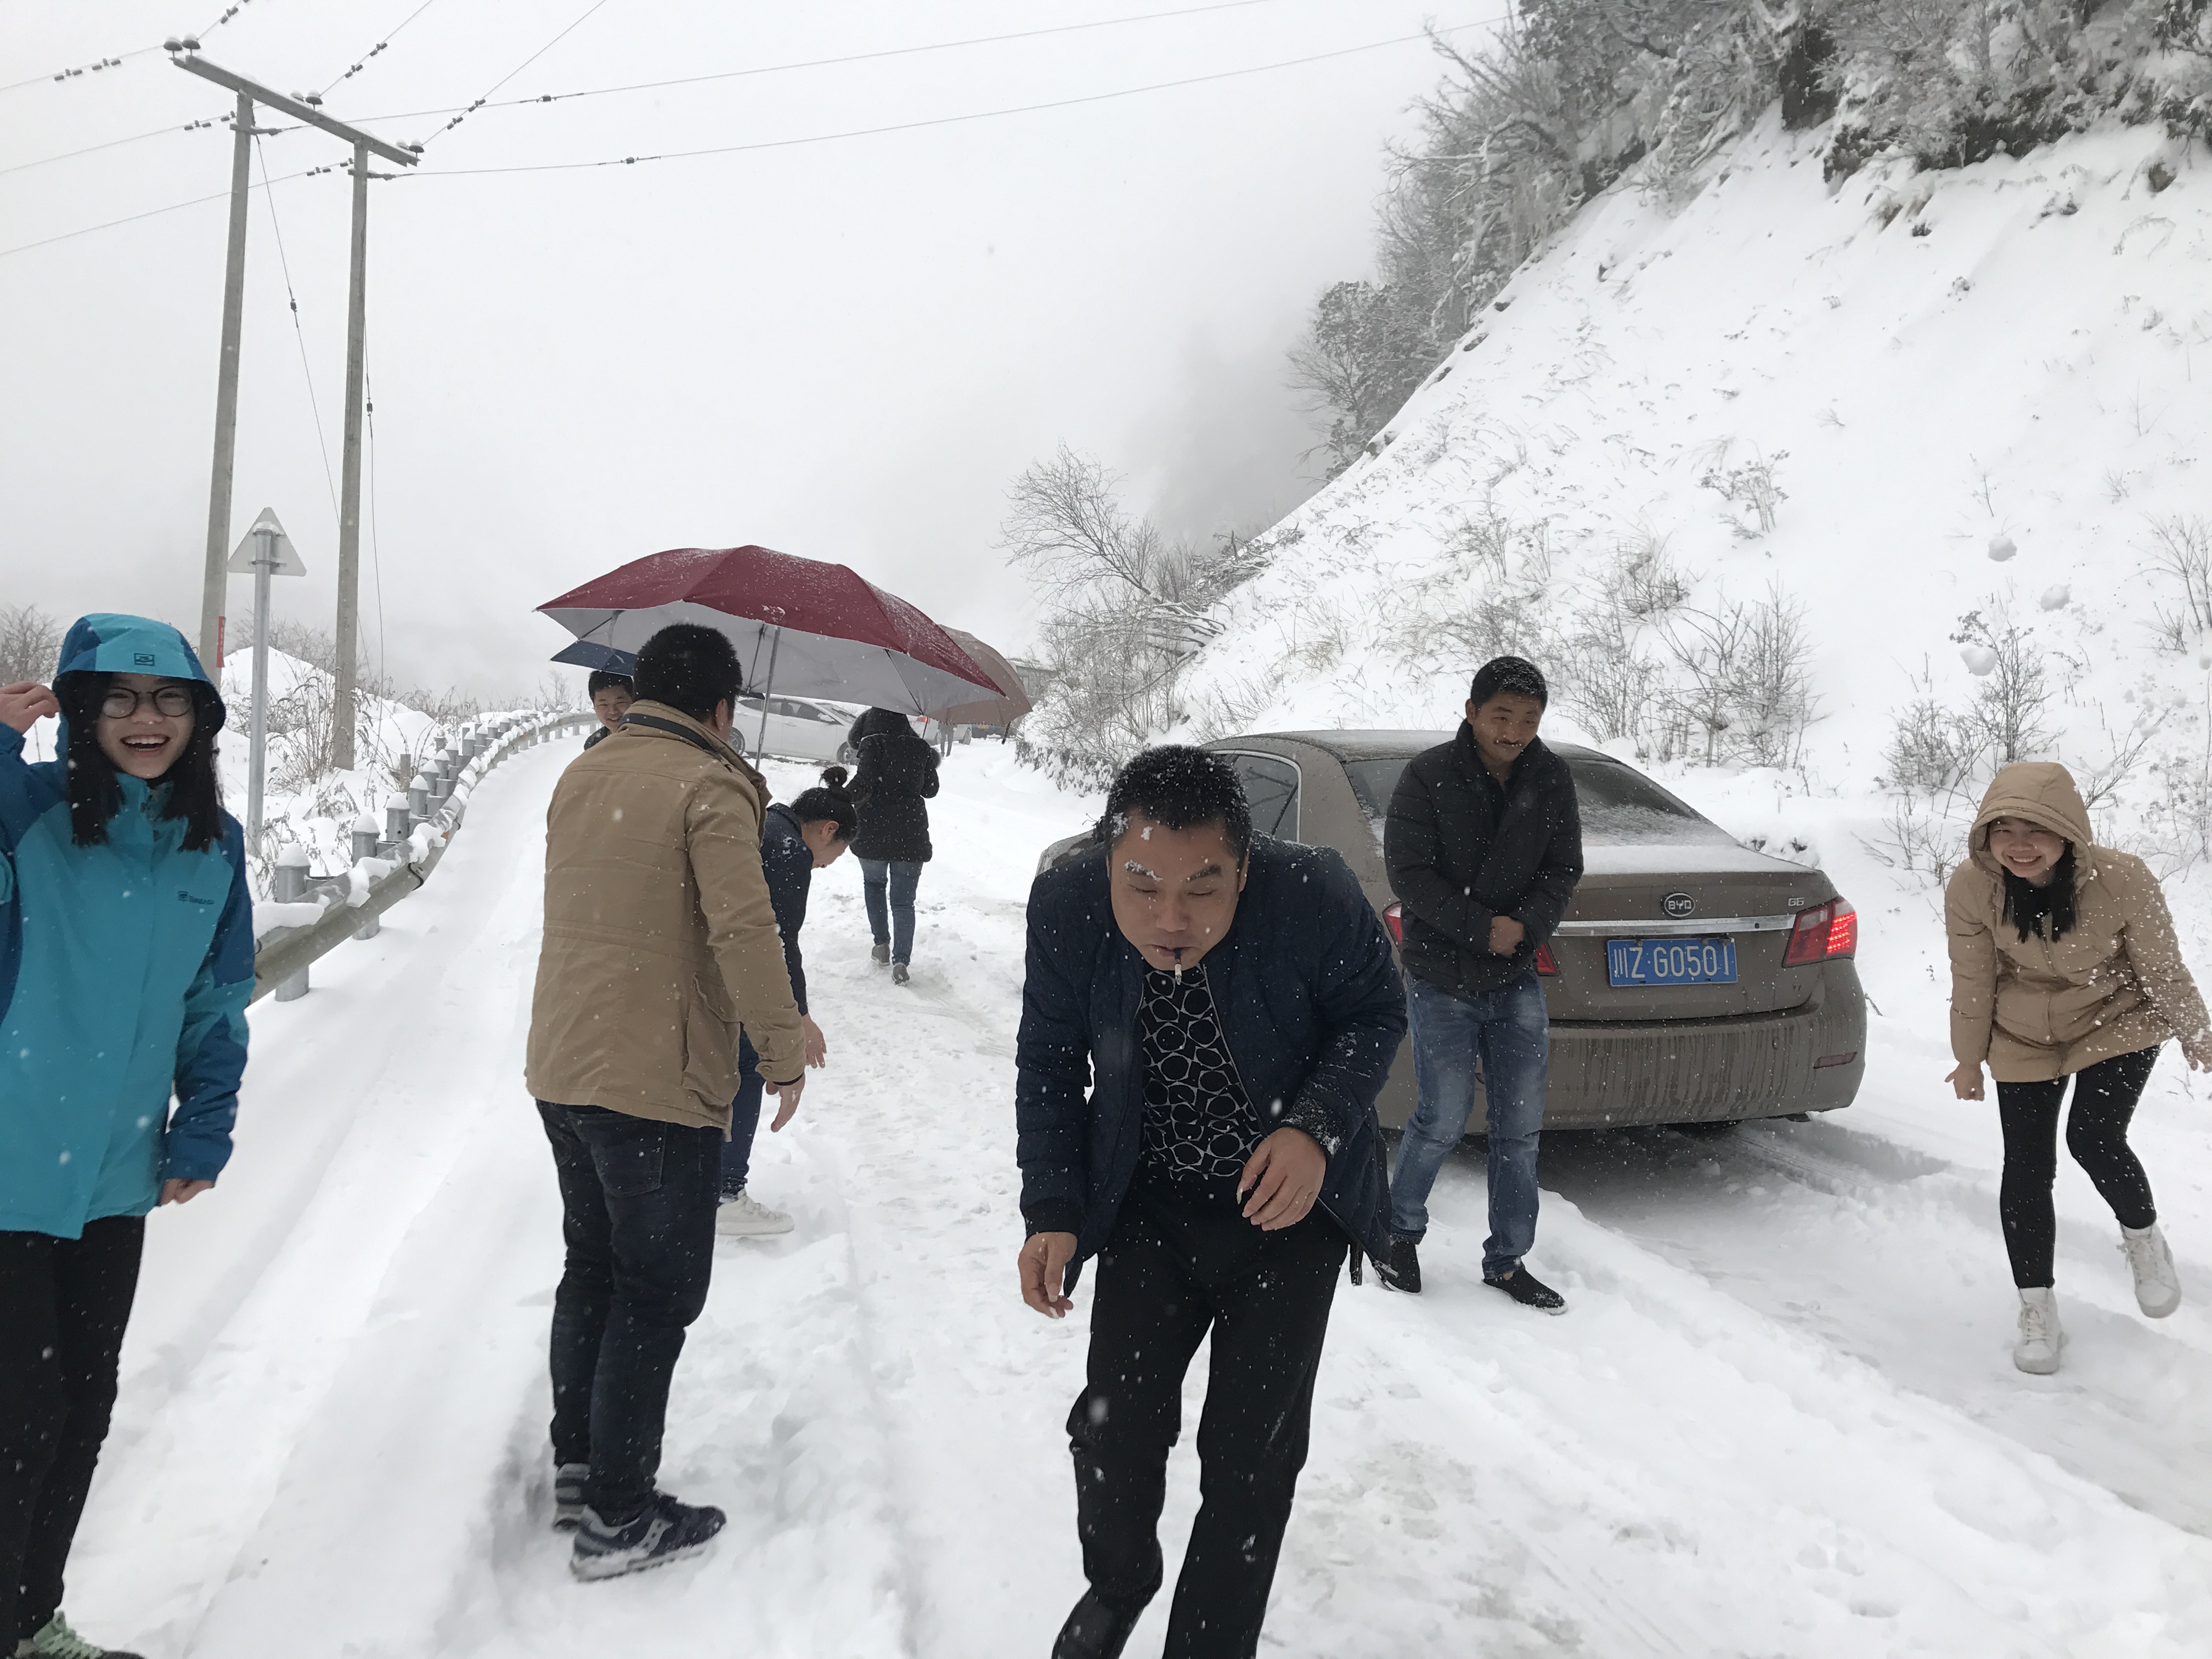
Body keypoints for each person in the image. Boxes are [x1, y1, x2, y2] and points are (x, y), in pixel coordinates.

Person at [1017, 746, 1404, 1659]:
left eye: (1204, 887)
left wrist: (1313, 1128)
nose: (1171, 918)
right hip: (1149, 1203)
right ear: (1108, 857)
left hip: (1287, 1214)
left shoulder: (1311, 894)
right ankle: (1119, 1581)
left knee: (1251, 1459)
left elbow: (1376, 1012)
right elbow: (1049, 1061)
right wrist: (1053, 1208)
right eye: (1142, 884)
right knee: (1116, 1428)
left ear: (1245, 867)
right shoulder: (1067, 903)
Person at [526, 623, 809, 1581]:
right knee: (657, 1291)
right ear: (722, 708)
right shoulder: (709, 785)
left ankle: (581, 1468)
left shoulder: (585, 773)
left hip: (565, 1066)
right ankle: (619, 1516)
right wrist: (781, 1051)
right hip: (654, 1079)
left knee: (593, 1267)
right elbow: (744, 927)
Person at [1, 615, 252, 1659]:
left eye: (169, 700)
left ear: (199, 718)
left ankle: (30, 1617)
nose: (146, 720)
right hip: (9, 1167)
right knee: (19, 1415)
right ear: (80, 710)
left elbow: (216, 1000)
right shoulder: (28, 811)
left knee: (79, 1408)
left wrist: (206, 1123)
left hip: (113, 1174)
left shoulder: (213, 843)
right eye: (120, 699)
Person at [1945, 762, 2212, 1374]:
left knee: (2093, 1137)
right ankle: (2037, 1308)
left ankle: (2144, 1241)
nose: (2018, 845)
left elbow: (2161, 966)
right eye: (2003, 829)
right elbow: (1973, 978)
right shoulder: (1972, 886)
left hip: (2115, 1018)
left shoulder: (2123, 879)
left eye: (2035, 829)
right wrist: (1968, 1059)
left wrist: (2196, 1031)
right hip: (2023, 1032)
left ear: (2067, 831)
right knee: (2027, 1166)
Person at [1378, 655, 1584, 1311]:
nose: (1514, 731)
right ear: (1472, 712)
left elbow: (1563, 868)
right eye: (1502, 716)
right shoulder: (1429, 775)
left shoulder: (1550, 778)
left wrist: (1526, 926)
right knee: (1441, 1118)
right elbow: (1409, 873)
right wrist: (1479, 927)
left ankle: (1508, 1260)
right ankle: (1397, 1234)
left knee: (1519, 1128)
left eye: (1528, 719)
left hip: (1515, 974)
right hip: (1441, 975)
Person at [716, 766, 857, 1238]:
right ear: (828, 830)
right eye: (834, 856)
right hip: (730, 976)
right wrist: (799, 1018)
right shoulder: (789, 850)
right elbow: (779, 941)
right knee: (750, 1064)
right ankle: (725, 1193)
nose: (825, 865)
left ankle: (700, 1183)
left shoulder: (763, 824)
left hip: (696, 968)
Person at [847, 706, 939, 985]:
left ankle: (882, 946)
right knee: (903, 902)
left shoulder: (872, 744)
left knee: (874, 886)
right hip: (910, 835)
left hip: (872, 832)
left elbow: (862, 784)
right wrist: (921, 762)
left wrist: (838, 796)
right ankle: (902, 961)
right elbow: (931, 790)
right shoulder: (920, 748)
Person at [582, 669, 632, 751]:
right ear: (594, 706)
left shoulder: (649, 739)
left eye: (620, 702)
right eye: (604, 704)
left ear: (633, 701)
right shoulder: (593, 745)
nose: (613, 711)